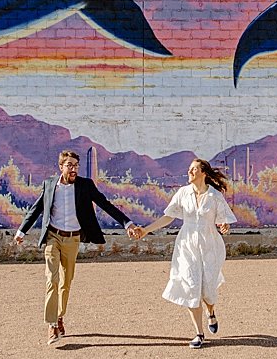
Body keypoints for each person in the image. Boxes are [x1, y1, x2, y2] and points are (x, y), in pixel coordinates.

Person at [15, 150, 140, 345]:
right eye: (69, 165)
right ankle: (51, 325)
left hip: (72, 239)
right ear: (61, 167)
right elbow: (37, 208)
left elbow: (105, 204)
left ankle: (59, 316)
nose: (73, 169)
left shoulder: (85, 185)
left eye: (76, 166)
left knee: (65, 283)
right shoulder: (50, 185)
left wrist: (127, 224)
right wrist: (22, 231)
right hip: (52, 237)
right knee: (52, 279)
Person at [135, 158, 237, 349]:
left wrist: (224, 226)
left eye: (194, 169)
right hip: (187, 246)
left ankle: (211, 312)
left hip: (210, 246)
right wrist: (146, 230)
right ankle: (199, 333)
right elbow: (168, 216)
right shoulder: (183, 193)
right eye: (189, 168)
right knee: (191, 286)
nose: (190, 172)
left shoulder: (214, 196)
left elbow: (224, 222)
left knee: (207, 290)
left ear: (203, 172)